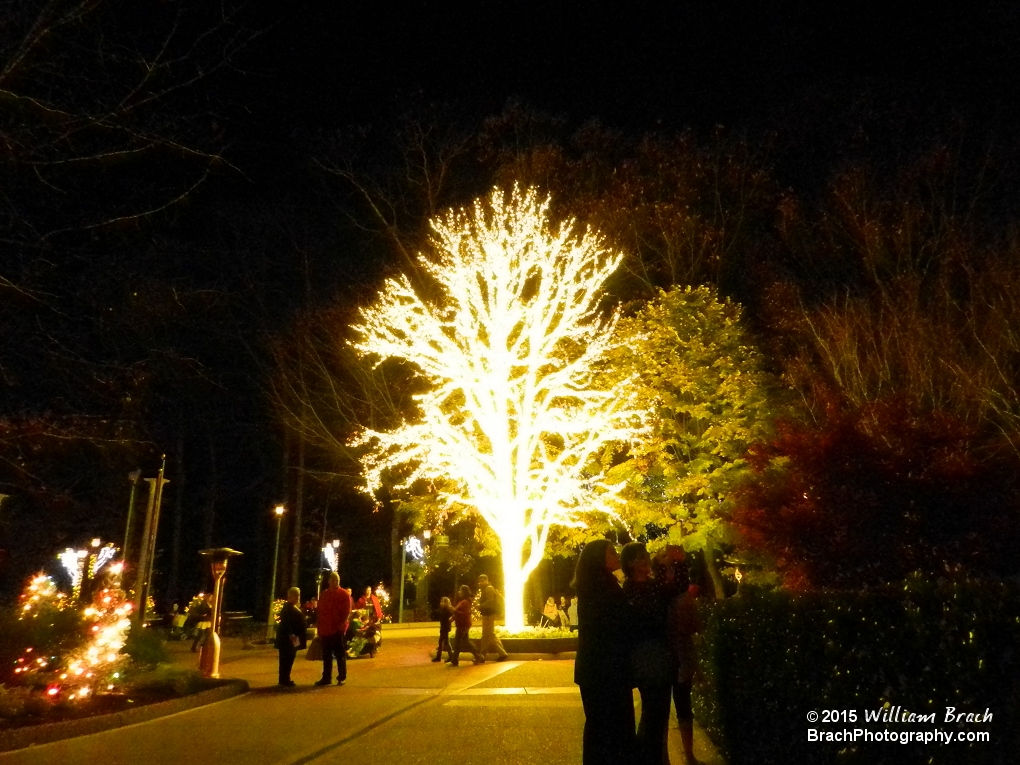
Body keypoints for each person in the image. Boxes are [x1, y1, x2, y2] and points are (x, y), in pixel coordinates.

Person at [573, 539, 636, 765]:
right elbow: (619, 623)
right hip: (607, 670)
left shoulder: (591, 586)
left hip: (594, 669)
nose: (616, 555)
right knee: (612, 726)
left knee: (598, 726)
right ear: (598, 558)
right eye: (611, 553)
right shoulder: (604, 587)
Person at [621, 542, 684, 765]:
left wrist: (676, 563)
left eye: (645, 555)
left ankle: (654, 756)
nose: (645, 560)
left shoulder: (654, 586)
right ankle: (649, 756)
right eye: (640, 557)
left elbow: (677, 590)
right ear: (630, 563)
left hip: (660, 651)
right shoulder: (627, 590)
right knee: (653, 708)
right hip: (644, 653)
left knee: (659, 709)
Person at [669, 581, 703, 765]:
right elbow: (697, 626)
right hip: (681, 655)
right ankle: (688, 754)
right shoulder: (685, 601)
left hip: (667, 654)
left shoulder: (661, 596)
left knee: (663, 707)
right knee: (683, 705)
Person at [314, 571, 352, 686]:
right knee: (326, 655)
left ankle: (341, 676)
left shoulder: (344, 594)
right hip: (326, 629)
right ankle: (326, 677)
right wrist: (320, 628)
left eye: (336, 580)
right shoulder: (325, 594)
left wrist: (341, 625)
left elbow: (346, 612)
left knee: (339, 654)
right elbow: (320, 612)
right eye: (332, 580)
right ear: (329, 581)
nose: (333, 582)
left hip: (337, 629)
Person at [275, 586, 307, 686]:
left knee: (290, 658)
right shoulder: (288, 607)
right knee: (286, 658)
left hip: (293, 637)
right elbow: (287, 624)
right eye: (296, 595)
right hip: (288, 639)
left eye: (298, 595)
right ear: (290, 596)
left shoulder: (293, 607)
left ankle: (285, 678)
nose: (298, 597)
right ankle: (284, 679)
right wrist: (292, 636)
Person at [448, 585, 484, 666]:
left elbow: (462, 614)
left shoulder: (465, 602)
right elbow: (460, 613)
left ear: (464, 592)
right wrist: (453, 617)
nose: (459, 592)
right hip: (463, 624)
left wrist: (451, 608)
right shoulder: (465, 602)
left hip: (463, 624)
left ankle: (455, 660)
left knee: (459, 642)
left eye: (460, 590)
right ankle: (478, 656)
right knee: (463, 642)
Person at [476, 574, 509, 661]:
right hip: (487, 614)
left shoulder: (488, 588)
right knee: (488, 635)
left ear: (487, 580)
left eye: (482, 581)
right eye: (479, 581)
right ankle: (483, 655)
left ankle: (500, 653)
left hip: (489, 614)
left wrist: (480, 606)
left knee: (488, 634)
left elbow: (490, 601)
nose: (480, 583)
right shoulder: (487, 589)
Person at [434, 596, 455, 662]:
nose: (441, 603)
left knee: (442, 642)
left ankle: (439, 656)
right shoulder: (445, 609)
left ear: (446, 603)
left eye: (442, 602)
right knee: (445, 642)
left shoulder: (447, 610)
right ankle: (450, 656)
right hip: (444, 628)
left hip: (445, 628)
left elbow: (451, 617)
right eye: (441, 602)